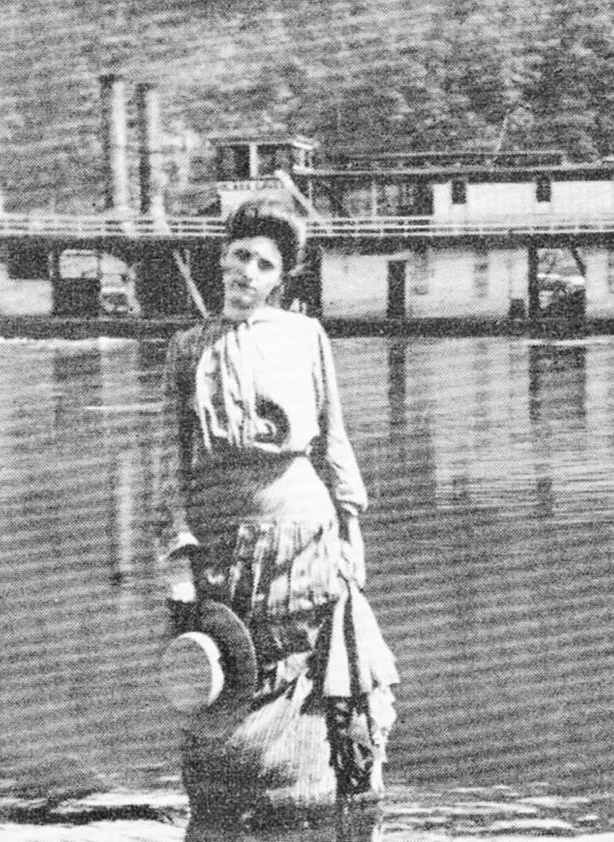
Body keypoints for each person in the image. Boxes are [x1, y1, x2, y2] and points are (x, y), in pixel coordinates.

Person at [155, 200, 397, 841]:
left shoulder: (305, 336)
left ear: (278, 279)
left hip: (303, 538)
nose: (246, 272)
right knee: (219, 675)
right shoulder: (186, 350)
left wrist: (352, 531)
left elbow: (333, 442)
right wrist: (178, 558)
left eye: (263, 264)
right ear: (221, 261)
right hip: (220, 547)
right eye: (239, 256)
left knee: (303, 671)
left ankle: (310, 811)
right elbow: (167, 459)